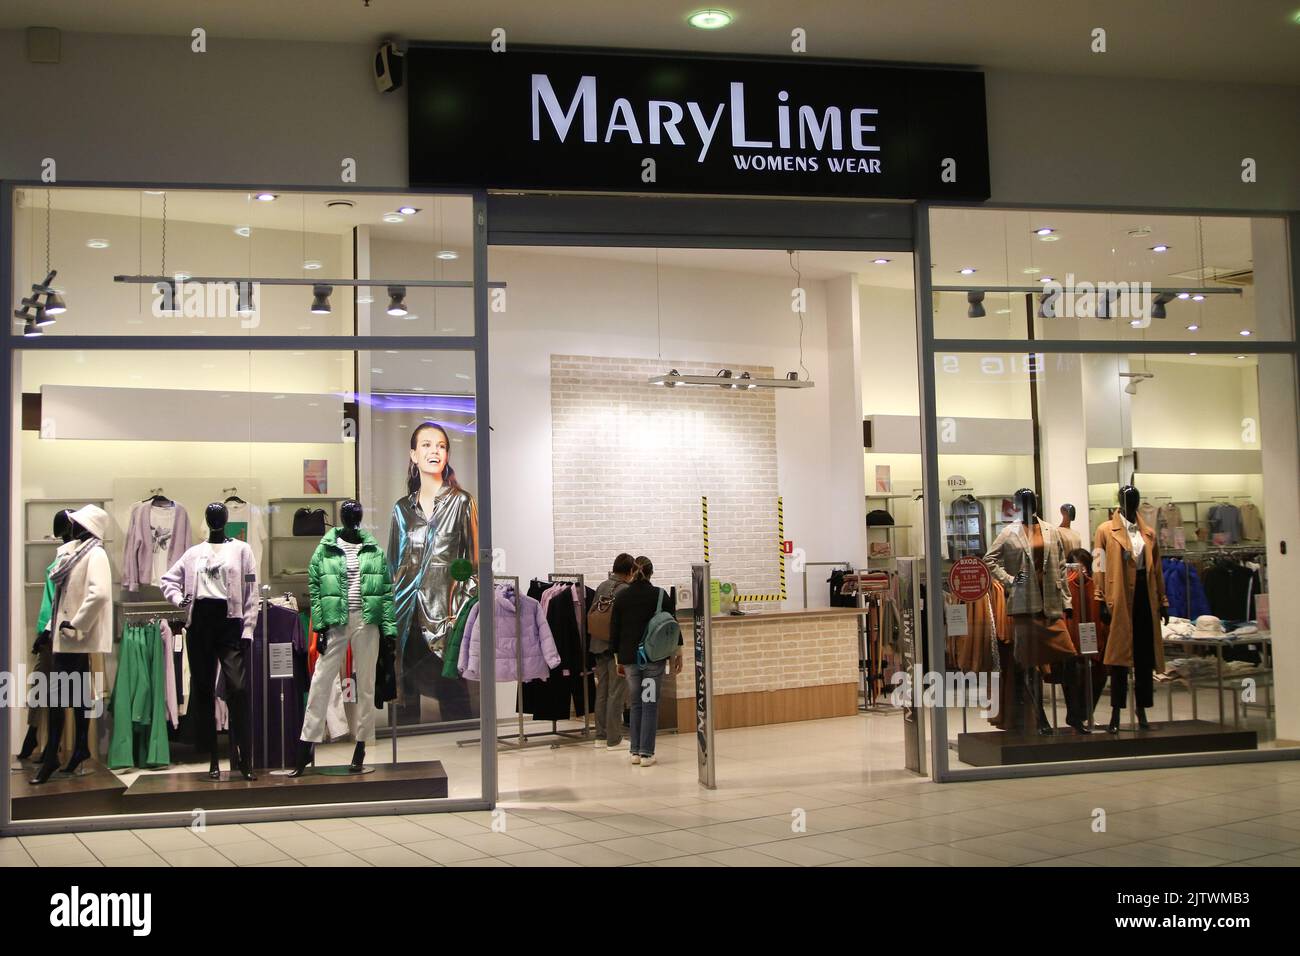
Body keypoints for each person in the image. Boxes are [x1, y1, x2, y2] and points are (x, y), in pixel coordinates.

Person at [388, 421, 479, 723]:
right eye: (426, 445)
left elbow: (473, 565)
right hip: (406, 615)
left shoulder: (462, 502)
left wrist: (461, 610)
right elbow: (393, 564)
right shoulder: (402, 509)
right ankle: (405, 745)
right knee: (405, 695)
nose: (434, 451)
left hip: (445, 616)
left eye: (441, 446)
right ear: (413, 455)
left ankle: (465, 744)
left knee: (452, 693)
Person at [609, 556, 682, 767]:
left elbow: (615, 630)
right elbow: (672, 625)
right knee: (649, 703)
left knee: (636, 704)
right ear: (651, 573)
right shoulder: (660, 595)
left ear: (632, 571)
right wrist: (677, 653)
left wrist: (617, 659)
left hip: (630, 660)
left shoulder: (622, 596)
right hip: (653, 658)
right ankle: (647, 754)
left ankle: (635, 752)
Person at [588, 553, 636, 749]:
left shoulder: (602, 586)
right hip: (616, 649)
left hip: (598, 645)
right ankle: (614, 739)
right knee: (616, 693)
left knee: (602, 692)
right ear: (630, 571)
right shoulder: (626, 590)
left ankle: (600, 736)